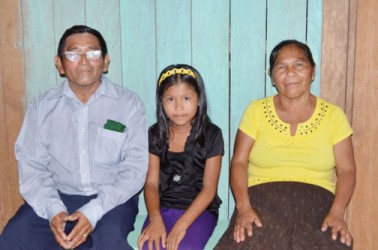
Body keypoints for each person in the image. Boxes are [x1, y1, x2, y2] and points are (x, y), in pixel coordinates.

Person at [0, 25, 148, 250]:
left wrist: (94, 210)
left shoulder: (129, 104)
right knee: (14, 237)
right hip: (58, 195)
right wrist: (54, 210)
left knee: (109, 242)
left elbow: (135, 169)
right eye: (73, 53)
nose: (84, 60)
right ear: (59, 64)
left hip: (112, 199)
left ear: (105, 61)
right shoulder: (42, 107)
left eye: (93, 52)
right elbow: (32, 166)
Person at [215, 40, 356, 249]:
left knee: (330, 243)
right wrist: (244, 208)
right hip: (259, 203)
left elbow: (347, 171)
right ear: (272, 76)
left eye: (299, 65)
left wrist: (337, 212)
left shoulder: (334, 116)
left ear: (313, 71)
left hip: (318, 207)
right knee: (248, 242)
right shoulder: (256, 111)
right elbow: (238, 162)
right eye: (281, 67)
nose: (290, 72)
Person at [137, 64, 224, 250]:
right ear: (161, 101)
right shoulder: (154, 134)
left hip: (199, 211)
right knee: (149, 246)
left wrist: (182, 225)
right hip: (162, 209)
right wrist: (155, 218)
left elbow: (209, 190)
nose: (178, 107)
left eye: (186, 98)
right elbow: (151, 183)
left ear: (199, 99)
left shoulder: (212, 135)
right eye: (170, 99)